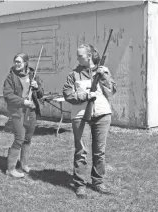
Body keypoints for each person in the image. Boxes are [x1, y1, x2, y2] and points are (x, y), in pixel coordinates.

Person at [63, 44, 117, 198]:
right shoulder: (73, 74)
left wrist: (104, 76)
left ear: (89, 56)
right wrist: (85, 96)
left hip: (102, 114)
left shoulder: (103, 71)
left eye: (80, 55)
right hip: (81, 116)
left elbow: (112, 90)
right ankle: (80, 184)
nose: (77, 58)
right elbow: (67, 94)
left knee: (100, 152)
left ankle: (98, 182)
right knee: (81, 151)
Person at [3, 53, 44, 178]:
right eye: (15, 61)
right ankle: (10, 169)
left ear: (25, 63)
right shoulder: (11, 77)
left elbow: (41, 94)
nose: (16, 64)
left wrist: (37, 88)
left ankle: (24, 165)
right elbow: (8, 95)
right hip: (18, 112)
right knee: (19, 138)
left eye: (19, 62)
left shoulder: (33, 76)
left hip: (31, 111)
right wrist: (22, 101)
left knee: (27, 139)